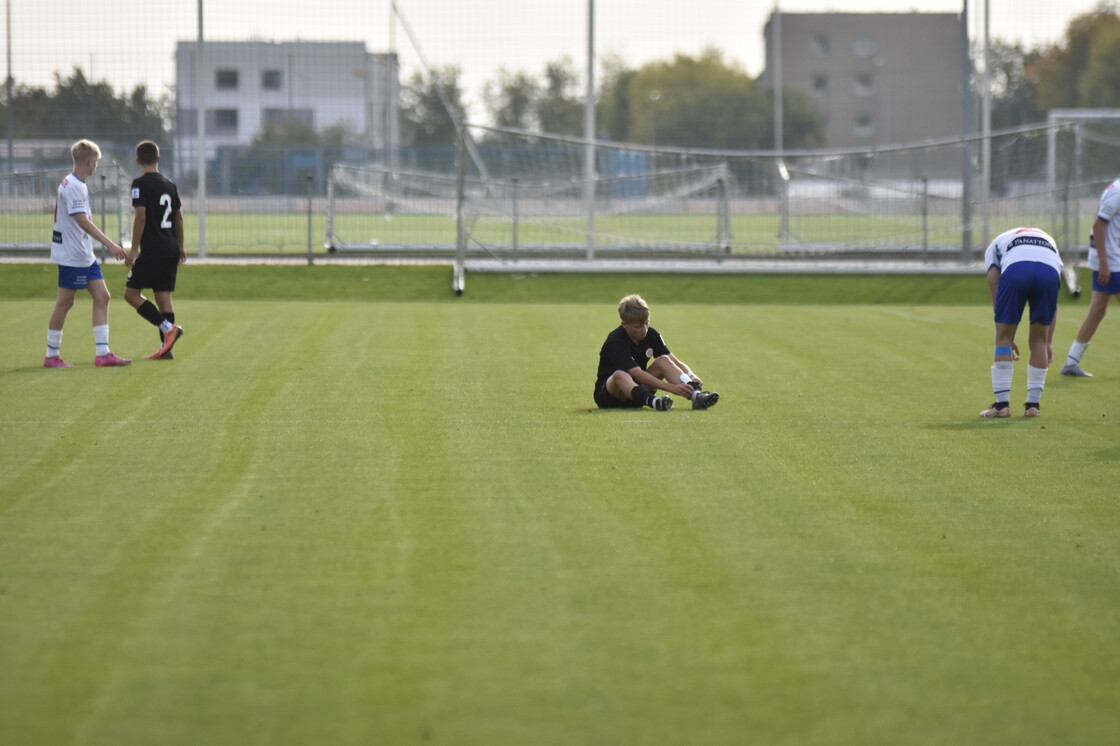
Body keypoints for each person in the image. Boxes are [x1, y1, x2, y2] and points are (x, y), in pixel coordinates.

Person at [44, 139, 131, 368]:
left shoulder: (75, 183)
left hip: (83, 253)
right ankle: (51, 355)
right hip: (73, 254)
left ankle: (103, 354)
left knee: (102, 296)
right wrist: (110, 245)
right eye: (96, 163)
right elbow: (82, 221)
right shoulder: (74, 186)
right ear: (90, 161)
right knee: (65, 302)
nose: (96, 167)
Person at [980, 227, 1063, 419]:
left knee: (1003, 337)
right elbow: (1054, 302)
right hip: (1048, 273)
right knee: (1039, 341)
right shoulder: (1047, 238)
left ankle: (1001, 406)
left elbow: (995, 284)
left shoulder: (995, 245)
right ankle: (1033, 406)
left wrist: (1002, 331)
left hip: (1017, 270)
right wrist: (1048, 341)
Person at [594, 294, 719, 411]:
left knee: (663, 361)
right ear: (624, 324)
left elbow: (673, 360)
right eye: (638, 327)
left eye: (647, 323)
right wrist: (672, 388)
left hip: (638, 395)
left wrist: (691, 376)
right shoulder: (615, 342)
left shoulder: (651, 334)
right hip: (611, 398)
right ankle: (656, 403)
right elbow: (637, 374)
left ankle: (696, 397)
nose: (644, 329)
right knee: (620, 374)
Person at [123, 140, 184, 360]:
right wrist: (181, 247)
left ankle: (168, 329)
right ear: (158, 159)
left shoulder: (140, 184)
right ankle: (165, 350)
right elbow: (178, 217)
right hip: (171, 246)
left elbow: (141, 216)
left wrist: (133, 251)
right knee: (162, 296)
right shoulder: (169, 184)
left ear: (137, 160)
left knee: (130, 294)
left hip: (153, 248)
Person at [1061, 178, 1120, 377]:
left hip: (1108, 259)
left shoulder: (1115, 187)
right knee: (1098, 311)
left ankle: (1071, 363)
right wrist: (1104, 262)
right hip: (1111, 262)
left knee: (1097, 311)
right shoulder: (1118, 190)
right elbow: (1097, 224)